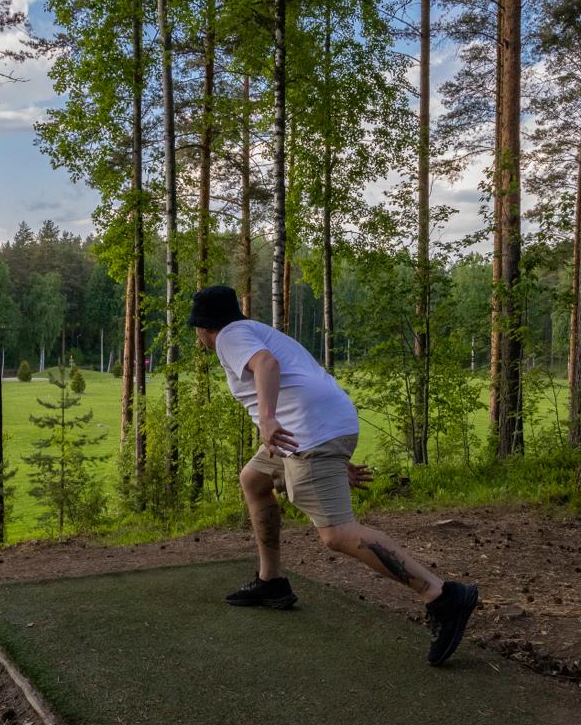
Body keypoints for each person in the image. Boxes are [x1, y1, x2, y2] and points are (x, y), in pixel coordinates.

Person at [188, 284, 478, 666]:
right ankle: (271, 582)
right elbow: (299, 380)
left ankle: (441, 595)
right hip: (315, 427)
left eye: (197, 329)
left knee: (336, 534)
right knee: (254, 479)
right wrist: (330, 457)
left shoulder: (229, 336)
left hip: (304, 431)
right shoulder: (254, 329)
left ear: (204, 327)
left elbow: (267, 366)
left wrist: (269, 419)